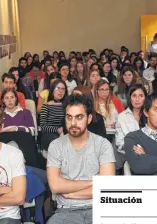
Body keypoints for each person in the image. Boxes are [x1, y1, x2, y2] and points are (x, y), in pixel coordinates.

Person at [47, 94, 115, 224]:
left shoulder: (102, 144)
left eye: (79, 117)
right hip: (65, 210)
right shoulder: (56, 146)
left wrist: (70, 193)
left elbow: (106, 187)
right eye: (69, 117)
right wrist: (93, 182)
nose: (73, 123)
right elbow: (55, 186)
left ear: (89, 119)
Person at [115, 85, 147, 164]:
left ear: (145, 98)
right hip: (130, 157)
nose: (137, 99)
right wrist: (135, 149)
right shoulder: (121, 117)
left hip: (151, 154)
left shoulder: (151, 115)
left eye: (141, 96)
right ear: (130, 98)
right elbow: (120, 143)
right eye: (134, 96)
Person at [40, 79, 67, 151]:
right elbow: (43, 126)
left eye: (63, 89)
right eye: (58, 88)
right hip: (50, 134)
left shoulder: (67, 106)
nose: (61, 91)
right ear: (52, 91)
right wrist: (57, 130)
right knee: (56, 142)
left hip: (66, 133)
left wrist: (63, 130)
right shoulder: (46, 106)